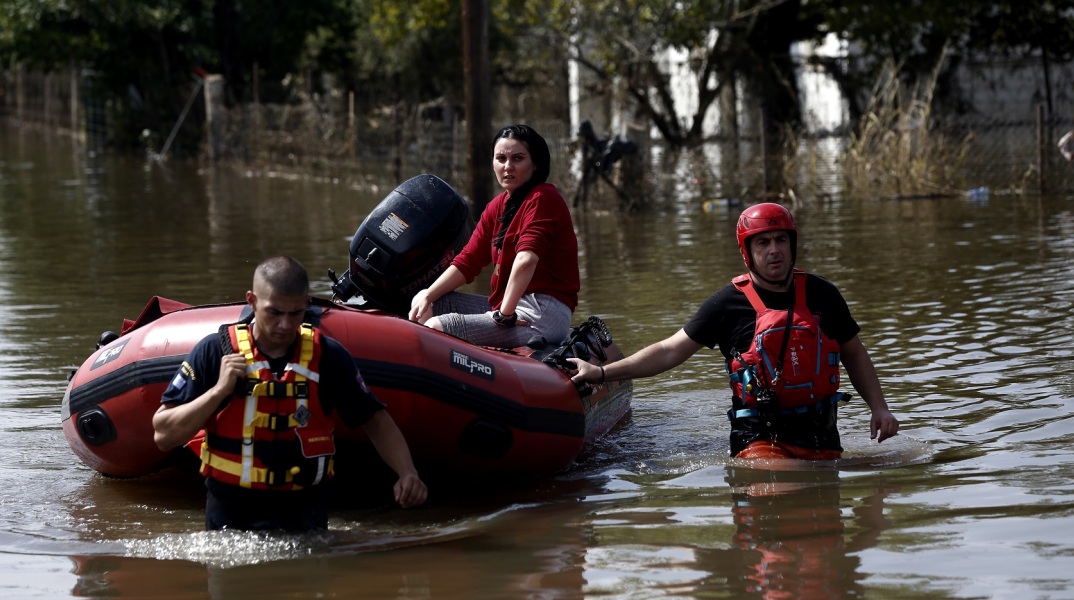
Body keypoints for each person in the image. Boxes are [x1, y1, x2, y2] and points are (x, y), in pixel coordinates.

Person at [568, 203, 899, 460]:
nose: (774, 250)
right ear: (747, 251)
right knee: (782, 505)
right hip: (759, 440)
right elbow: (670, 350)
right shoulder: (727, 304)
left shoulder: (822, 294)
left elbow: (853, 351)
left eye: (781, 240)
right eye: (764, 242)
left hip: (822, 436)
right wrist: (601, 372)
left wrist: (879, 408)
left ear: (792, 244)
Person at [153, 256, 427, 531]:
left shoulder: (328, 356)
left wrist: (407, 472)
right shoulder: (216, 351)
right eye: (275, 312)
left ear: (307, 303)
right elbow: (163, 435)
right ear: (252, 301)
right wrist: (218, 391)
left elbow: (376, 421)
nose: (285, 324)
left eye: (295, 313)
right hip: (231, 522)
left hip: (305, 518)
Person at [408, 124, 580, 348]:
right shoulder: (497, 206)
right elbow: (468, 260)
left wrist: (505, 314)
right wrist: (428, 295)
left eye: (518, 158)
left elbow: (526, 260)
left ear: (535, 164)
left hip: (541, 313)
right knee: (425, 303)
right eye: (501, 159)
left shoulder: (543, 197)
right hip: (506, 308)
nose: (508, 166)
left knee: (437, 327)